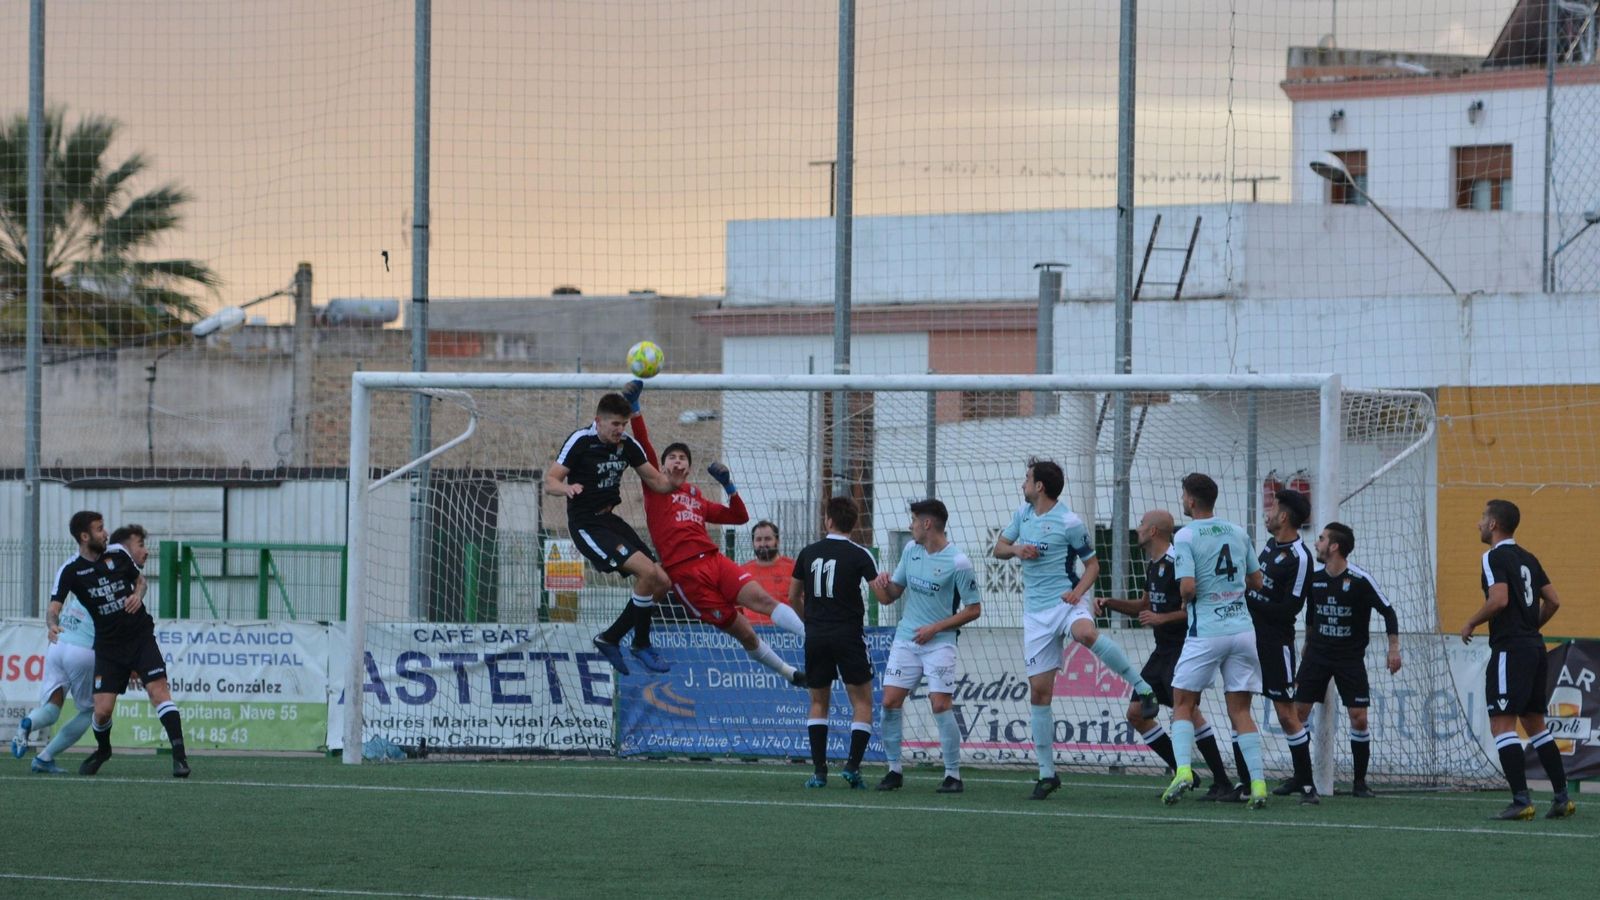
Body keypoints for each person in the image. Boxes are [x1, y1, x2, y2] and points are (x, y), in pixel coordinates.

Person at [992, 458, 1159, 801]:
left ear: (1040, 486)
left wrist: (1078, 593)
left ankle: (1143, 688)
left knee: (1085, 634)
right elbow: (998, 549)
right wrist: (1016, 549)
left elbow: (1093, 565)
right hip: (1036, 615)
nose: (1023, 484)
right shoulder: (1022, 516)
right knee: (1039, 693)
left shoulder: (1069, 521)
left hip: (1066, 602)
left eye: (1027, 479)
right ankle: (1046, 773)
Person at [628, 382, 808, 685]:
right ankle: (789, 673)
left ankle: (816, 638)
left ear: (687, 467)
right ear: (662, 464)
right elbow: (644, 444)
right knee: (744, 631)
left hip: (714, 560)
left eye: (682, 458)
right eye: (671, 457)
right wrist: (635, 408)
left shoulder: (696, 494)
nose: (677, 460)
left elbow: (739, 517)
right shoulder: (654, 487)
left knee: (762, 600)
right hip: (686, 575)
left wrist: (728, 485)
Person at [1097, 510, 1239, 801]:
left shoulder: (1178, 563)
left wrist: (1162, 619)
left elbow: (1194, 609)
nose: (1136, 529)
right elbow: (1144, 607)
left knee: (1188, 712)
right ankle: (1183, 771)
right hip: (1161, 652)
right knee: (1136, 713)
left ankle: (1223, 782)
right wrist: (1109, 602)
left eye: (1140, 524)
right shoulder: (1154, 565)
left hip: (1185, 649)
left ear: (1153, 532)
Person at [48, 511, 189, 777]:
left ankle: (180, 758)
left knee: (159, 692)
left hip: (140, 638)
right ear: (84, 536)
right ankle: (103, 751)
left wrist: (137, 595)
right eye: (100, 529)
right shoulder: (70, 570)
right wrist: (52, 625)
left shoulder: (118, 554)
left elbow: (141, 582)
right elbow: (53, 607)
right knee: (101, 713)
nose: (106, 533)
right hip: (108, 647)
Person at [547, 388, 676, 675]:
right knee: (648, 573)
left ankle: (611, 637)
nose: (620, 430)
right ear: (599, 421)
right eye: (615, 424)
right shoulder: (581, 441)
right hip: (586, 524)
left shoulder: (628, 446)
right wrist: (565, 488)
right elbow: (550, 480)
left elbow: (657, 482)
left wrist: (674, 479)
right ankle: (641, 643)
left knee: (663, 582)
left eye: (624, 424)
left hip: (610, 521)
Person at [1460, 500, 1575, 821]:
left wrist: (1471, 622)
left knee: (1502, 724)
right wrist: (1530, 627)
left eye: (1482, 517)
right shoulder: (1528, 557)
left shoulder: (1492, 556)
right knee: (1536, 723)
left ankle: (1521, 799)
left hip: (1511, 649)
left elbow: (1499, 599)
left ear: (1494, 524)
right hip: (1535, 648)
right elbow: (1553, 601)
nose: (1478, 524)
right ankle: (1562, 798)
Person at [1162, 473, 1268, 808]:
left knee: (1183, 702)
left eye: (1183, 496)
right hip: (1242, 631)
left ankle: (1182, 770)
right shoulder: (1238, 532)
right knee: (1240, 710)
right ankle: (1259, 784)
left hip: (1207, 631)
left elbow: (1189, 588)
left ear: (1191, 500)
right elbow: (1257, 582)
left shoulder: (1185, 535)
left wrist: (1185, 597)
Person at [8, 525, 146, 773]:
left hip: (59, 645)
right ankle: (45, 757)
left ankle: (28, 723)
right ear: (123, 551)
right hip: (83, 651)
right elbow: (121, 630)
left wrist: (52, 624)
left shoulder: (85, 573)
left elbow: (55, 607)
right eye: (140, 546)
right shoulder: (118, 581)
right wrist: (135, 664)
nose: (145, 552)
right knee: (93, 711)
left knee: (51, 709)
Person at [871, 499, 982, 793]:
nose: (911, 526)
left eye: (914, 520)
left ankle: (953, 775)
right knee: (890, 702)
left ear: (927, 524)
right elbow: (891, 595)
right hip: (906, 638)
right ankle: (894, 770)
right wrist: (880, 582)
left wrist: (936, 627)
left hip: (940, 643)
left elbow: (974, 609)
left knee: (940, 704)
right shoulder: (911, 550)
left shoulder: (958, 562)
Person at [1292, 521, 1400, 800]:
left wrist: (1394, 649)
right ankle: (1301, 778)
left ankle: (1360, 782)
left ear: (1334, 546)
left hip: (1349, 658)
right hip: (1317, 655)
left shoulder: (1360, 579)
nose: (1317, 543)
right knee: (1298, 713)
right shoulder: (1315, 579)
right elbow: (1311, 614)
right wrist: (1306, 644)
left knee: (1359, 718)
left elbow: (1388, 611)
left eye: (1321, 539)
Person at [790, 497, 879, 788]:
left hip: (816, 636)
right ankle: (852, 766)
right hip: (848, 635)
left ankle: (819, 772)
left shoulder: (808, 552)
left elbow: (793, 596)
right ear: (854, 523)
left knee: (818, 702)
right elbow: (883, 593)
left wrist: (811, 622)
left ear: (828, 520)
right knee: (863, 701)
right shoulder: (860, 554)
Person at [1248, 490, 1318, 803]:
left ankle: (1307, 784)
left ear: (1284, 517)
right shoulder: (1269, 547)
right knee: (1238, 703)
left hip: (1276, 643)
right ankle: (1247, 780)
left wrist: (1250, 603)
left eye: (1273, 507)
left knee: (1287, 714)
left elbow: (1290, 608)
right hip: (1249, 639)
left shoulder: (1300, 557)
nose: (1269, 511)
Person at [739, 521, 795, 626]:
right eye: (758, 540)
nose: (763, 544)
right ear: (753, 543)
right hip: (752, 635)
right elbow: (736, 609)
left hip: (786, 635)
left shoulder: (793, 568)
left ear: (777, 541)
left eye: (768, 539)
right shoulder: (743, 571)